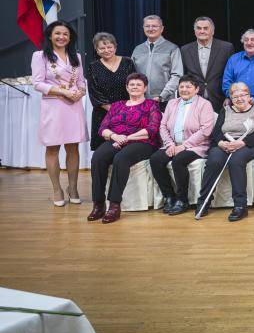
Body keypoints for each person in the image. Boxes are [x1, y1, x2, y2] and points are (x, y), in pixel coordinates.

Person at [88, 73, 161, 224]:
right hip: (117, 139)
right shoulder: (117, 105)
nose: (135, 87)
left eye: (138, 85)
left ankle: (114, 205)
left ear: (145, 88)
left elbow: (152, 129)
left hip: (142, 142)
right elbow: (103, 128)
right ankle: (98, 204)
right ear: (127, 87)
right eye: (132, 85)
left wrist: (127, 138)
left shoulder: (151, 105)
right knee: (98, 157)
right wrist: (115, 136)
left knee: (121, 158)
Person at [31, 20, 88, 206]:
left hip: (73, 106)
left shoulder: (76, 56)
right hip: (53, 106)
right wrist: (63, 92)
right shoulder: (40, 56)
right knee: (53, 148)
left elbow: (81, 82)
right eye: (57, 33)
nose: (61, 37)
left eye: (65, 34)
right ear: (50, 35)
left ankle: (73, 187)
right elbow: (37, 83)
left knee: (73, 148)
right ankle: (57, 189)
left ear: (70, 37)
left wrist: (80, 92)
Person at [194, 82, 254, 222]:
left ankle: (240, 206)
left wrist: (241, 143)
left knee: (236, 161)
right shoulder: (225, 110)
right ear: (231, 98)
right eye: (235, 96)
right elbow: (217, 131)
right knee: (214, 159)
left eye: (243, 95)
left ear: (249, 96)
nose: (239, 99)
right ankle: (204, 201)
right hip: (225, 143)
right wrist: (221, 143)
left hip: (247, 145)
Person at [149, 75, 216, 215]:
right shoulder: (172, 103)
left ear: (197, 89)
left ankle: (182, 200)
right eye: (181, 87)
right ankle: (169, 196)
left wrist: (184, 146)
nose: (184, 89)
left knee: (179, 160)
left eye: (188, 86)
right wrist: (169, 144)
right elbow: (163, 126)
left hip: (196, 146)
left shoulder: (204, 104)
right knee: (156, 159)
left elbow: (206, 130)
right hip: (173, 144)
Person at [87, 32, 136, 151]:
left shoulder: (127, 62)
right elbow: (95, 94)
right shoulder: (93, 66)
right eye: (102, 48)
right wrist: (116, 111)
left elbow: (134, 86)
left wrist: (126, 111)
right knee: (102, 153)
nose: (106, 50)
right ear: (97, 50)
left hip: (128, 113)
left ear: (115, 47)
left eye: (109, 47)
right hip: (103, 114)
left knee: (125, 146)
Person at [180, 16, 234, 112]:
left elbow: (232, 75)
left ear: (212, 31)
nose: (202, 31)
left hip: (220, 100)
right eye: (199, 28)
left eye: (205, 28)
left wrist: (229, 96)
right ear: (195, 31)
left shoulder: (226, 48)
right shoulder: (185, 50)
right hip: (193, 101)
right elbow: (184, 76)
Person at [131, 14, 182, 105]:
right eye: (147, 26)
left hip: (165, 101)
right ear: (143, 28)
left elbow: (177, 75)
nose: (151, 29)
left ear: (162, 28)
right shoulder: (137, 49)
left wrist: (162, 96)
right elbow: (132, 76)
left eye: (154, 26)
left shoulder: (172, 48)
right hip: (140, 100)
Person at [222, 29, 254, 107]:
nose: (249, 43)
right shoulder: (233, 59)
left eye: (253, 40)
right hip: (236, 104)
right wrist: (233, 97)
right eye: (246, 40)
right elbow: (226, 82)